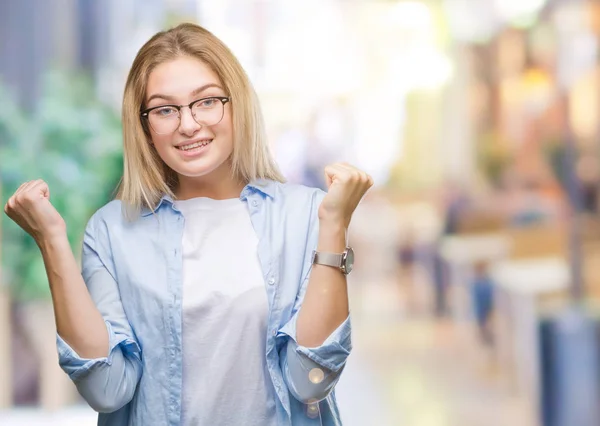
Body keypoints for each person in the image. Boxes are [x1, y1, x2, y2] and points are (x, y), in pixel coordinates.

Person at [3, 23, 372, 425]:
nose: (188, 124)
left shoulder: (306, 216)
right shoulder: (111, 231)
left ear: (236, 105)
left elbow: (312, 380)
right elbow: (106, 389)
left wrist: (335, 225)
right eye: (164, 109)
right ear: (145, 126)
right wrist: (52, 240)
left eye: (207, 102)